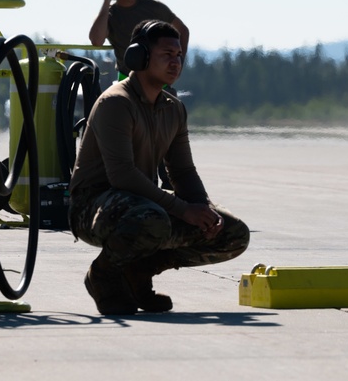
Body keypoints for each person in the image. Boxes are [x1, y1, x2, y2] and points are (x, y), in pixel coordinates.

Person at [68, 20, 249, 315]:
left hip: (140, 203)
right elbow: (122, 175)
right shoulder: (117, 103)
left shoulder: (172, 107)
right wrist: (181, 209)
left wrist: (202, 209)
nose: (175, 62)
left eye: (179, 55)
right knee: (152, 219)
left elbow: (183, 172)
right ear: (140, 58)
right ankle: (104, 275)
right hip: (92, 206)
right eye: (167, 54)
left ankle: (139, 271)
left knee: (233, 233)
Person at [89, 0, 190, 80]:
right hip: (127, 80)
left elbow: (183, 31)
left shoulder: (155, 8)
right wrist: (107, 1)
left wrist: (179, 63)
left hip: (158, 82)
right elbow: (96, 40)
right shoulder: (108, 15)